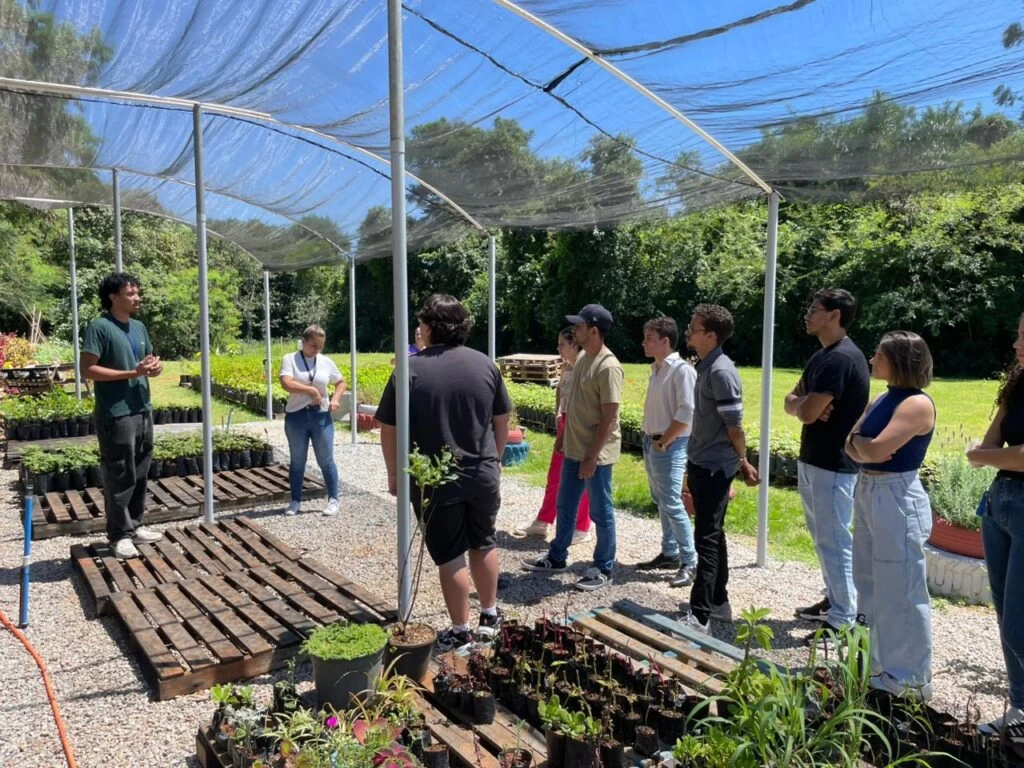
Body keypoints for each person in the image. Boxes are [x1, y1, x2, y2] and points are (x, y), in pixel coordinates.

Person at [377, 294, 511, 650]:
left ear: (430, 327)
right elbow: (502, 418)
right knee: (483, 541)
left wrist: (394, 474)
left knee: (450, 553)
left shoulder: (410, 370)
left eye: (422, 323)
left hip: (435, 479)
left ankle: (460, 630)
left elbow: (388, 428)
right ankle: (489, 615)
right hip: (483, 473)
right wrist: (494, 459)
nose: (419, 329)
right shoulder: (485, 365)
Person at [845, 331, 936, 700]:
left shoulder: (916, 404)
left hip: (896, 494)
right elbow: (852, 444)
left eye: (879, 355)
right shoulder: (884, 397)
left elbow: (873, 446)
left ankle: (909, 679)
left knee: (900, 586)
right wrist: (861, 447)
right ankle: (875, 665)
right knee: (867, 580)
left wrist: (862, 446)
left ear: (900, 360)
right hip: (869, 490)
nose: (871, 360)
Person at [784, 289, 870, 640]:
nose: (807, 314)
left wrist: (804, 405)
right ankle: (835, 600)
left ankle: (843, 617)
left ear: (834, 315)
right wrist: (804, 404)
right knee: (824, 538)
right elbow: (794, 402)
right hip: (815, 460)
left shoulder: (841, 360)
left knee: (834, 539)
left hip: (834, 465)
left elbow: (804, 410)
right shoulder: (822, 356)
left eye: (814, 309)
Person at [523, 303, 623, 592]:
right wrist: (563, 438)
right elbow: (573, 403)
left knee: (601, 512)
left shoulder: (608, 366)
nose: (574, 330)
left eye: (579, 326)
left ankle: (604, 567)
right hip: (573, 448)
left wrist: (592, 456)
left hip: (596, 454)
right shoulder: (581, 360)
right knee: (565, 505)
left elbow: (610, 416)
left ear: (593, 331)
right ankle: (557, 556)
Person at [681, 304, 759, 632]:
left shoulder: (721, 372)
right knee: (713, 533)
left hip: (715, 467)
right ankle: (718, 602)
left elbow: (734, 427)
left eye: (694, 328)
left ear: (711, 335)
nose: (688, 331)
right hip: (703, 462)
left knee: (707, 539)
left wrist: (741, 461)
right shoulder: (705, 366)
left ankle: (699, 618)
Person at [967, 312, 1024, 734]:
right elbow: (992, 445)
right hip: (1001, 503)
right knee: (1007, 614)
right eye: (1019, 333)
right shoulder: (1017, 386)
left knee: (1021, 616)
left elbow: (989, 453)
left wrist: (984, 456)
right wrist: (990, 455)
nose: (1017, 345)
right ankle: (1021, 708)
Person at [80, 273, 164, 560]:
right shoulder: (100, 328)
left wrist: (155, 367)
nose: (137, 298)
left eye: (137, 293)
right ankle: (118, 536)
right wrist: (132, 373)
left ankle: (135, 525)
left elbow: (150, 360)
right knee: (119, 473)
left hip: (141, 407)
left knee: (140, 470)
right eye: (131, 293)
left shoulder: (139, 327)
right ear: (113, 297)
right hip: (116, 413)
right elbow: (87, 370)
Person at [635, 316, 698, 589]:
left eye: (649, 337)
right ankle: (670, 552)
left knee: (672, 501)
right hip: (654, 442)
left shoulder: (681, 370)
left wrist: (664, 441)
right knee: (661, 500)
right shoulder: (657, 369)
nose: (644, 342)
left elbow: (687, 411)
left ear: (665, 341)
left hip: (669, 444)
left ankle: (690, 561)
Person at [513, 326, 592, 544]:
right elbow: (560, 391)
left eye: (562, 345)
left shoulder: (585, 366)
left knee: (582, 474)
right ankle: (544, 521)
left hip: (578, 426)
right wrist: (559, 412)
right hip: (564, 423)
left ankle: (582, 526)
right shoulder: (569, 366)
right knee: (555, 474)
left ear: (574, 344)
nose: (558, 349)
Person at [279, 325, 345, 517]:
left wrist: (336, 399)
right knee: (297, 460)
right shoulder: (290, 359)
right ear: (304, 341)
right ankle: (295, 500)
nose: (317, 349)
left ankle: (333, 499)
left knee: (326, 458)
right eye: (313, 345)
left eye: (321, 345)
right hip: (296, 416)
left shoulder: (325, 362)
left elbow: (341, 382)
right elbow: (286, 383)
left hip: (321, 415)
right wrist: (311, 391)